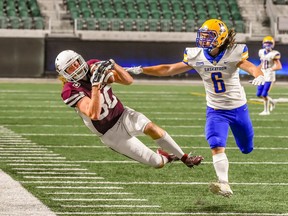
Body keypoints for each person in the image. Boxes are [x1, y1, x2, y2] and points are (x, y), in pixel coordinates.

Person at [125, 19, 265, 197]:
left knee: (246, 148)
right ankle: (224, 184)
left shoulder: (233, 53)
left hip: (238, 108)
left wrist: (259, 75)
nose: (204, 40)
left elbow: (251, 67)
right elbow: (168, 69)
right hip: (215, 109)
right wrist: (142, 70)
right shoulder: (196, 55)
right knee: (215, 143)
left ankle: (236, 160)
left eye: (209, 36)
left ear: (221, 37)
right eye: (203, 35)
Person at [54, 50, 204, 170]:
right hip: (110, 133)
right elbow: (94, 113)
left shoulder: (93, 66)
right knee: (157, 163)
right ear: (64, 73)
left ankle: (185, 158)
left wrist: (113, 65)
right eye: (70, 67)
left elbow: (128, 81)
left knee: (150, 127)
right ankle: (165, 156)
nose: (76, 68)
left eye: (76, 63)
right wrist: (95, 85)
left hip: (122, 114)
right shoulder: (69, 90)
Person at [256, 36, 282, 115]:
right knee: (258, 94)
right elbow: (262, 63)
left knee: (264, 94)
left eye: (269, 43)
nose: (267, 44)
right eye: (266, 43)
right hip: (262, 74)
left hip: (269, 75)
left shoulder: (274, 53)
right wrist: (256, 70)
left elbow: (279, 66)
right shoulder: (261, 52)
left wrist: (270, 69)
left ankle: (266, 111)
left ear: (273, 44)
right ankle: (272, 102)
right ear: (263, 43)